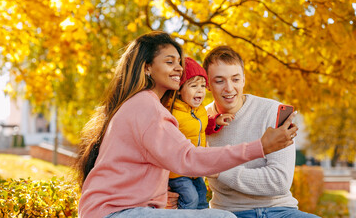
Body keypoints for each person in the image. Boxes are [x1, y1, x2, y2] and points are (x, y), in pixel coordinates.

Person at [75, 31, 297, 218]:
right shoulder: (145, 106)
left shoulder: (144, 105)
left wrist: (163, 193)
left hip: (117, 210)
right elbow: (188, 158)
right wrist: (260, 147)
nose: (179, 68)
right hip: (115, 213)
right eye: (169, 61)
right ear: (147, 68)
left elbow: (140, 166)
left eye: (179, 62)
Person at [202, 46, 320, 218]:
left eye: (235, 79)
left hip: (280, 211)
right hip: (229, 213)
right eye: (219, 81)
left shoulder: (271, 112)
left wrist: (219, 171)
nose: (229, 88)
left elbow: (279, 182)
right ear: (207, 85)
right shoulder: (202, 120)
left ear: (243, 80)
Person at [168, 57, 234, 210]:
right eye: (193, 86)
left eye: (203, 86)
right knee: (190, 198)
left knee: (202, 197)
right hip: (178, 171)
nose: (200, 90)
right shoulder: (173, 113)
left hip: (196, 168)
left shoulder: (200, 111)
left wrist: (216, 122)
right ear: (179, 90)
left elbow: (202, 126)